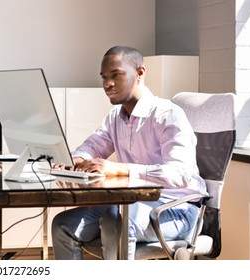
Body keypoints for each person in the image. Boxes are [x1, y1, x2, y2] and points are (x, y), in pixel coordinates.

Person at [51, 46, 207, 260]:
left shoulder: (168, 114)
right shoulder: (116, 117)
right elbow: (93, 146)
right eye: (104, 77)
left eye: (116, 75)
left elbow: (179, 174)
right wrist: (76, 161)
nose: (107, 84)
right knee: (63, 225)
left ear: (140, 73)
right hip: (129, 205)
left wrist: (120, 170)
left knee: (115, 221)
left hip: (176, 209)